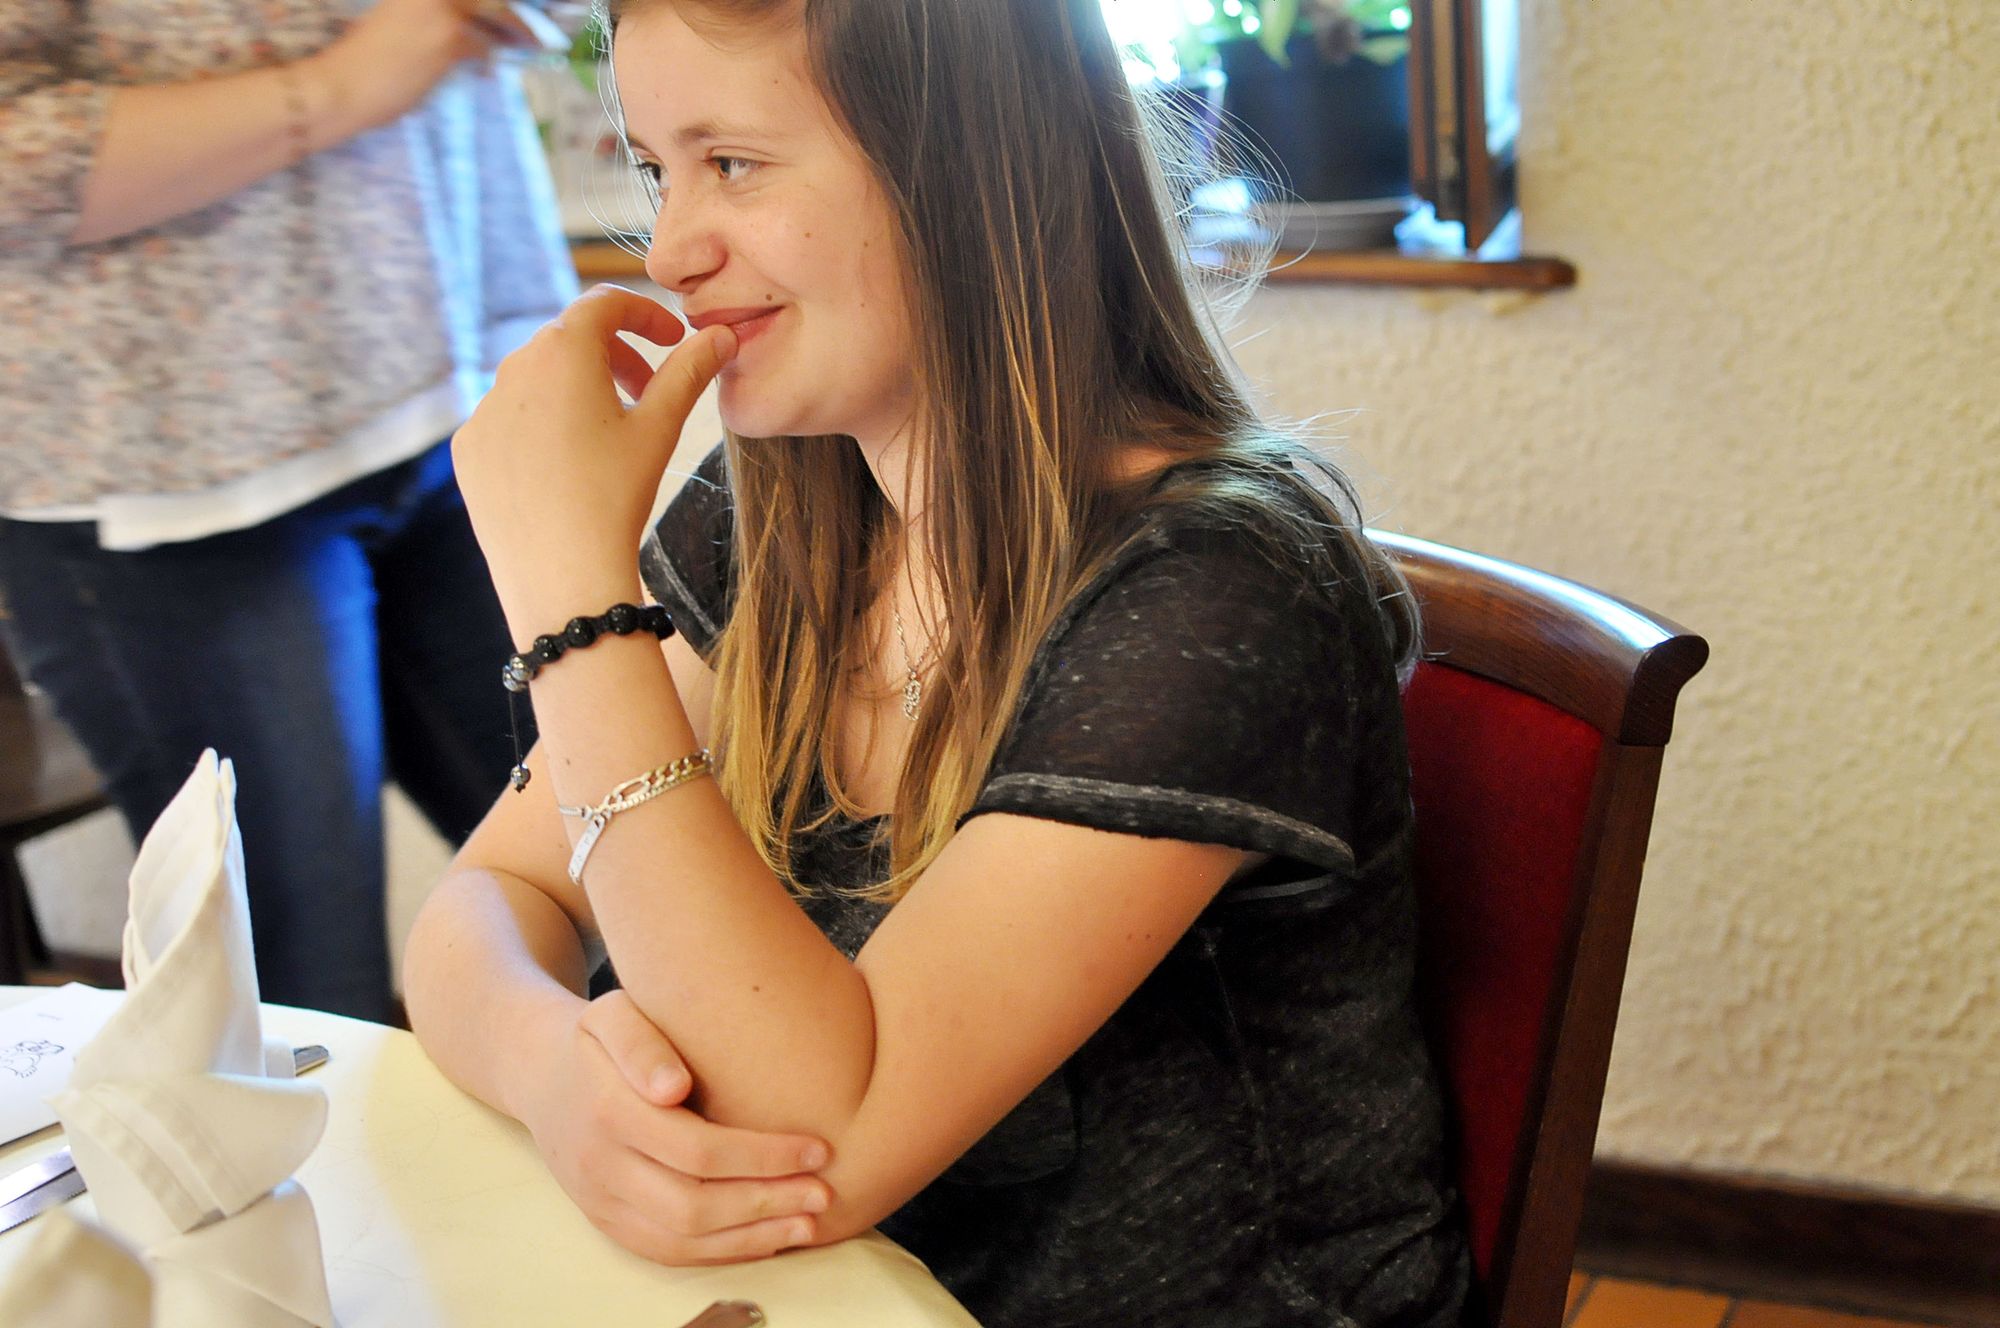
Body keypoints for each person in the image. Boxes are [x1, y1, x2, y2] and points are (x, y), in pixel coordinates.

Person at [408, 1, 1471, 1324]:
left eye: (731, 162)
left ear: (960, 168)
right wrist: (556, 1074)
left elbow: (819, 1137)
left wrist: (569, 603)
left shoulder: (1220, 590)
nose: (670, 250)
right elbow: (483, 902)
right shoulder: (780, 510)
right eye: (653, 170)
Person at [0, 0, 578, 1022]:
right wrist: (343, 86)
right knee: (309, 1008)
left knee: (628, 889)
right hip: (169, 483)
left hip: (441, 392)